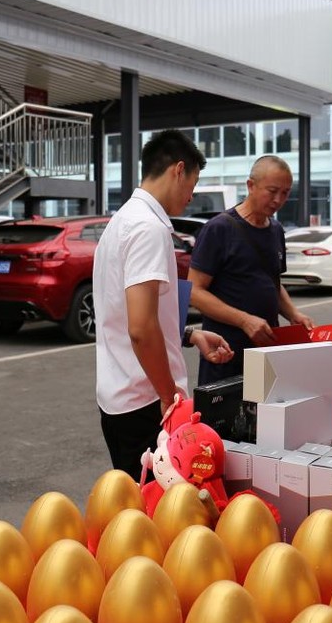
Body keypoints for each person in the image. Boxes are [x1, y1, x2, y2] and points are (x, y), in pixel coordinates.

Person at [93, 129, 234, 480]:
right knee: (159, 517)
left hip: (120, 396)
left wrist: (189, 335)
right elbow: (140, 328)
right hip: (145, 401)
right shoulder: (148, 228)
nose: (191, 195)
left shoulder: (121, 222)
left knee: (137, 515)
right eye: (193, 183)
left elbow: (130, 313)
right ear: (178, 170)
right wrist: (169, 395)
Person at [187, 155, 314, 385]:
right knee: (223, 420)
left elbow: (272, 283)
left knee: (268, 418)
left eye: (285, 193)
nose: (278, 199)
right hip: (225, 353)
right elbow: (194, 291)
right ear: (250, 185)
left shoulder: (276, 230)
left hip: (267, 352)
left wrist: (293, 313)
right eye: (272, 190)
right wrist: (245, 320)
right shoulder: (220, 228)